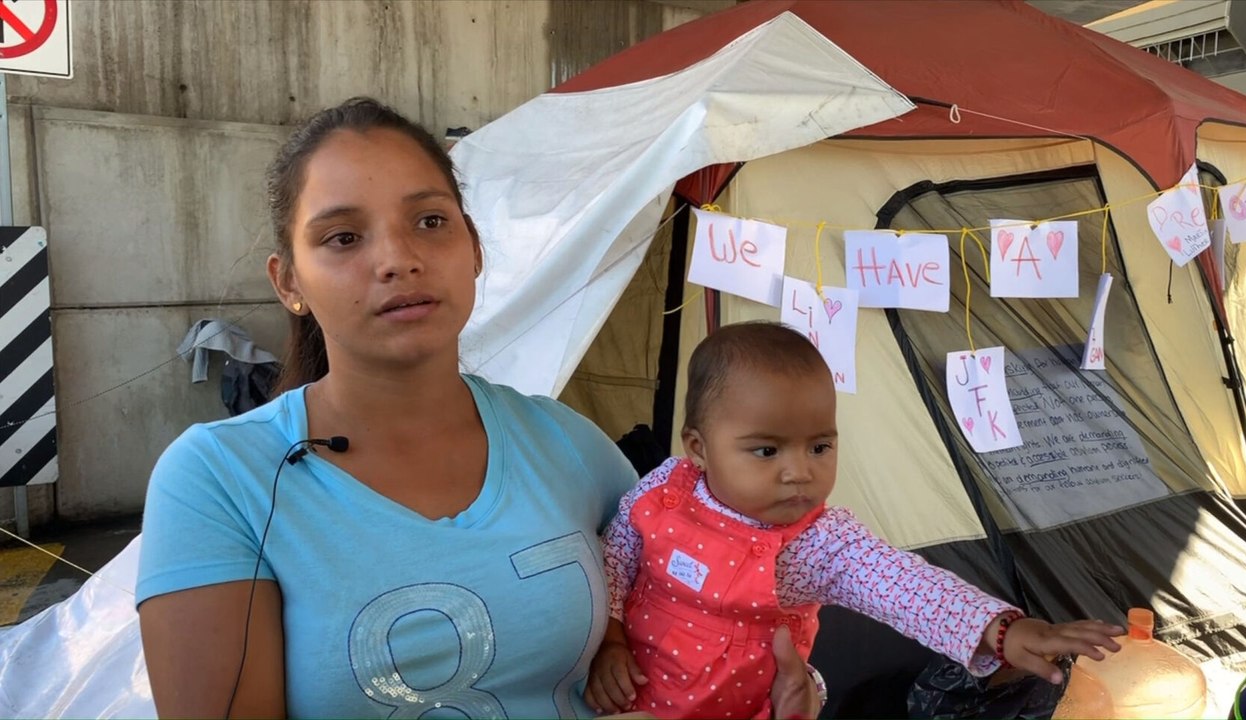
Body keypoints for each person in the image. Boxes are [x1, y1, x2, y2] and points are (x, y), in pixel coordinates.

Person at [134, 98, 821, 719]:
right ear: (289, 283)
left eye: (429, 221)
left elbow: (698, 602)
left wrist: (783, 686)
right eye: (343, 238)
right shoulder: (222, 479)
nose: (398, 258)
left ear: (474, 250)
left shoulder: (567, 446)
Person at [586, 322, 1125, 719]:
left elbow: (903, 584)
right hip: (632, 698)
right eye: (767, 451)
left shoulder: (816, 542)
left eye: (820, 445)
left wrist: (1000, 628)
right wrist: (609, 642)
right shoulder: (665, 490)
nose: (799, 472)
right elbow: (614, 560)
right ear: (698, 449)